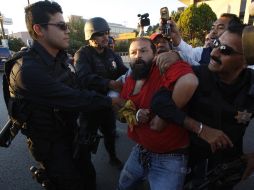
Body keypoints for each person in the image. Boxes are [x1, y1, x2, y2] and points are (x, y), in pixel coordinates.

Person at [7, 1, 124, 190]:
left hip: (73, 134)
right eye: (61, 26)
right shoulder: (27, 71)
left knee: (88, 176)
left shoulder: (60, 58)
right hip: (52, 147)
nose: (67, 31)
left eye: (67, 26)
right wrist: (110, 100)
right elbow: (73, 98)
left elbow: (78, 87)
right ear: (39, 29)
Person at [152, 23, 254, 189]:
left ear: (245, 61)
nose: (214, 53)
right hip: (190, 163)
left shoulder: (252, 86)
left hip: (228, 167)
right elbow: (159, 101)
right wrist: (199, 128)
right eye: (215, 44)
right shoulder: (197, 74)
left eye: (225, 50)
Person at [117, 37, 198, 190]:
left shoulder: (164, 67)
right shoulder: (131, 76)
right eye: (133, 52)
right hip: (140, 151)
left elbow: (189, 81)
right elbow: (123, 104)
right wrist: (136, 115)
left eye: (143, 50)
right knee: (123, 185)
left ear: (154, 54)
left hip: (170, 158)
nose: (138, 55)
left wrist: (164, 117)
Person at [74, 17, 128, 170]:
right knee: (86, 139)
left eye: (107, 33)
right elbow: (84, 78)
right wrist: (109, 83)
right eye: (101, 34)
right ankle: (84, 168)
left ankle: (112, 157)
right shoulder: (82, 54)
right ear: (90, 36)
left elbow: (123, 70)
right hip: (90, 105)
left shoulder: (111, 54)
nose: (106, 37)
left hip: (107, 103)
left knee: (110, 133)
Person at [168, 13, 241, 65]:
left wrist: (180, 56)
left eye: (220, 27)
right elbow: (188, 52)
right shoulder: (202, 52)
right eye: (212, 28)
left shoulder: (243, 63)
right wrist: (175, 36)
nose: (213, 32)